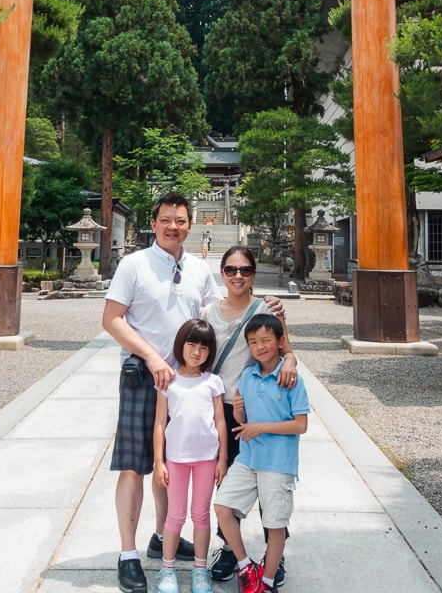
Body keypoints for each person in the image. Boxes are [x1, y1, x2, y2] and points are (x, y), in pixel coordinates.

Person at [102, 192, 285, 593]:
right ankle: (128, 553)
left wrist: (265, 305)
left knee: (176, 461)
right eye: (166, 219)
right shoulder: (133, 265)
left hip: (189, 384)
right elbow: (111, 319)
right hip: (144, 376)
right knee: (135, 465)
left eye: (180, 220)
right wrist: (153, 358)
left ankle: (160, 536)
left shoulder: (200, 269)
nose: (173, 226)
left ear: (190, 224)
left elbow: (219, 314)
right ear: (153, 224)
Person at [202, 246, 297, 586]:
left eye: (244, 270)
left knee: (269, 480)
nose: (238, 276)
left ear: (253, 273)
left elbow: (287, 349)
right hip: (219, 408)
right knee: (228, 481)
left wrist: (289, 361)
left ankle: (276, 553)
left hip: (258, 411)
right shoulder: (209, 311)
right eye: (230, 270)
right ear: (222, 273)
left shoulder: (267, 308)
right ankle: (229, 548)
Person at [214, 313, 309, 593]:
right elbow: (243, 420)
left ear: (281, 342)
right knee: (222, 506)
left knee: (275, 523)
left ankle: (266, 583)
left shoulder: (291, 379)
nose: (259, 347)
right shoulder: (247, 375)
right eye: (253, 342)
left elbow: (301, 425)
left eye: (266, 340)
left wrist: (262, 427)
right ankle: (246, 566)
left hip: (278, 463)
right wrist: (237, 409)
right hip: (248, 458)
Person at [152, 319, 226, 593]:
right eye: (191, 344)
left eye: (204, 347)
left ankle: (200, 570)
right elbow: (160, 423)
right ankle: (167, 569)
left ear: (210, 351)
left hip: (207, 458)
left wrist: (222, 459)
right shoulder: (168, 380)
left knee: (201, 514)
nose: (197, 351)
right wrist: (159, 462)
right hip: (176, 458)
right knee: (175, 514)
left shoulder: (213, 382)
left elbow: (220, 423)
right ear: (180, 345)